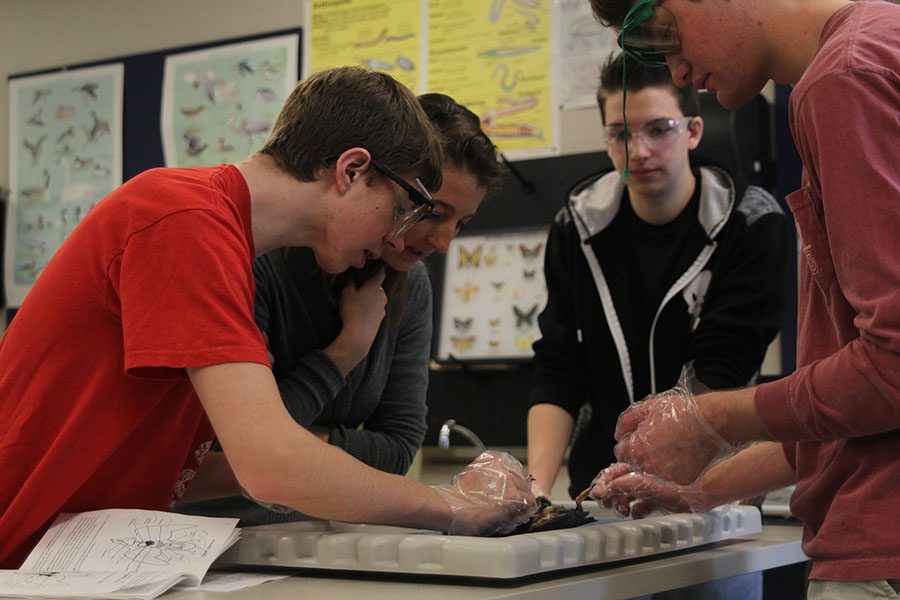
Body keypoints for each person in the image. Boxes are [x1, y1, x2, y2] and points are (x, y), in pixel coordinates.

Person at [0, 67, 535, 569]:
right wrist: (448, 506)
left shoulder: (221, 238)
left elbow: (199, 468)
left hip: (66, 559)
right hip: (21, 556)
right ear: (352, 171)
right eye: (405, 209)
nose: (399, 236)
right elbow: (270, 464)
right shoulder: (184, 220)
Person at [587, 1, 900, 596]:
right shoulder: (883, 41)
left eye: (666, 34)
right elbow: (856, 415)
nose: (677, 72)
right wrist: (702, 490)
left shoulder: (843, 79)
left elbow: (892, 365)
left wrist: (709, 418)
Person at [526, 51, 786, 599]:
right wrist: (534, 489)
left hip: (715, 500)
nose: (638, 151)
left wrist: (663, 478)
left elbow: (724, 364)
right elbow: (559, 365)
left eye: (658, 129)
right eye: (620, 134)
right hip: (604, 499)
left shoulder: (751, 221)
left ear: (693, 130)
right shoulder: (574, 226)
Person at [176, 93, 505, 525]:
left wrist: (297, 445)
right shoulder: (248, 258)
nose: (442, 242)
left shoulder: (411, 287)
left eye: (460, 223)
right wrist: (346, 351)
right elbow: (231, 452)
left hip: (317, 533)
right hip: (211, 535)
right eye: (424, 212)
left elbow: (399, 447)